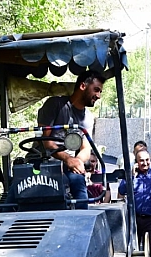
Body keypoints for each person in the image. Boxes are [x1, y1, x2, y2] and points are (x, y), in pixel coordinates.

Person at [37, 70, 106, 210]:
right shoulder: (55, 105)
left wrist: (76, 162)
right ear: (82, 86)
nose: (98, 96)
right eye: (96, 90)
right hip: (41, 162)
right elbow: (46, 141)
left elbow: (85, 148)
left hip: (68, 167)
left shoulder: (88, 118)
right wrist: (68, 159)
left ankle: (82, 222)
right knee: (15, 188)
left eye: (100, 92)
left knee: (79, 185)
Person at [118, 150, 151, 257]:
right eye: (141, 160)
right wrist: (130, 175)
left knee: (150, 250)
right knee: (134, 249)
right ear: (136, 162)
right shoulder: (132, 175)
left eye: (147, 160)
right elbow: (121, 191)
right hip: (135, 219)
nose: (145, 163)